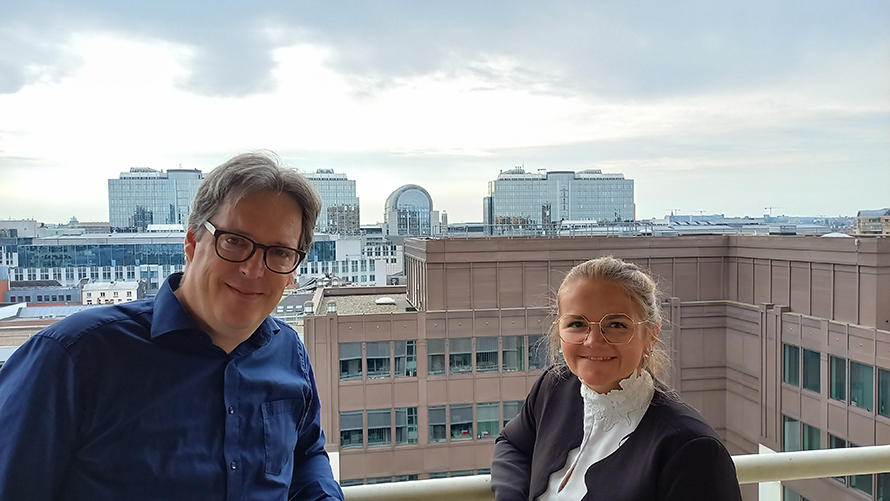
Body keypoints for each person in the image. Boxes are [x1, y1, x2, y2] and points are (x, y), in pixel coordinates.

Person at [0, 152, 344, 500]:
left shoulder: (289, 351)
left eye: (280, 252)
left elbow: (305, 455)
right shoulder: (75, 357)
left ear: (293, 270)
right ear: (192, 242)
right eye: (234, 241)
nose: (253, 269)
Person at [491, 256, 742, 500]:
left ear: (651, 334)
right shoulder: (554, 387)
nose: (593, 341)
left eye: (616, 325)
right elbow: (512, 444)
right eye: (577, 324)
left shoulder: (691, 448)